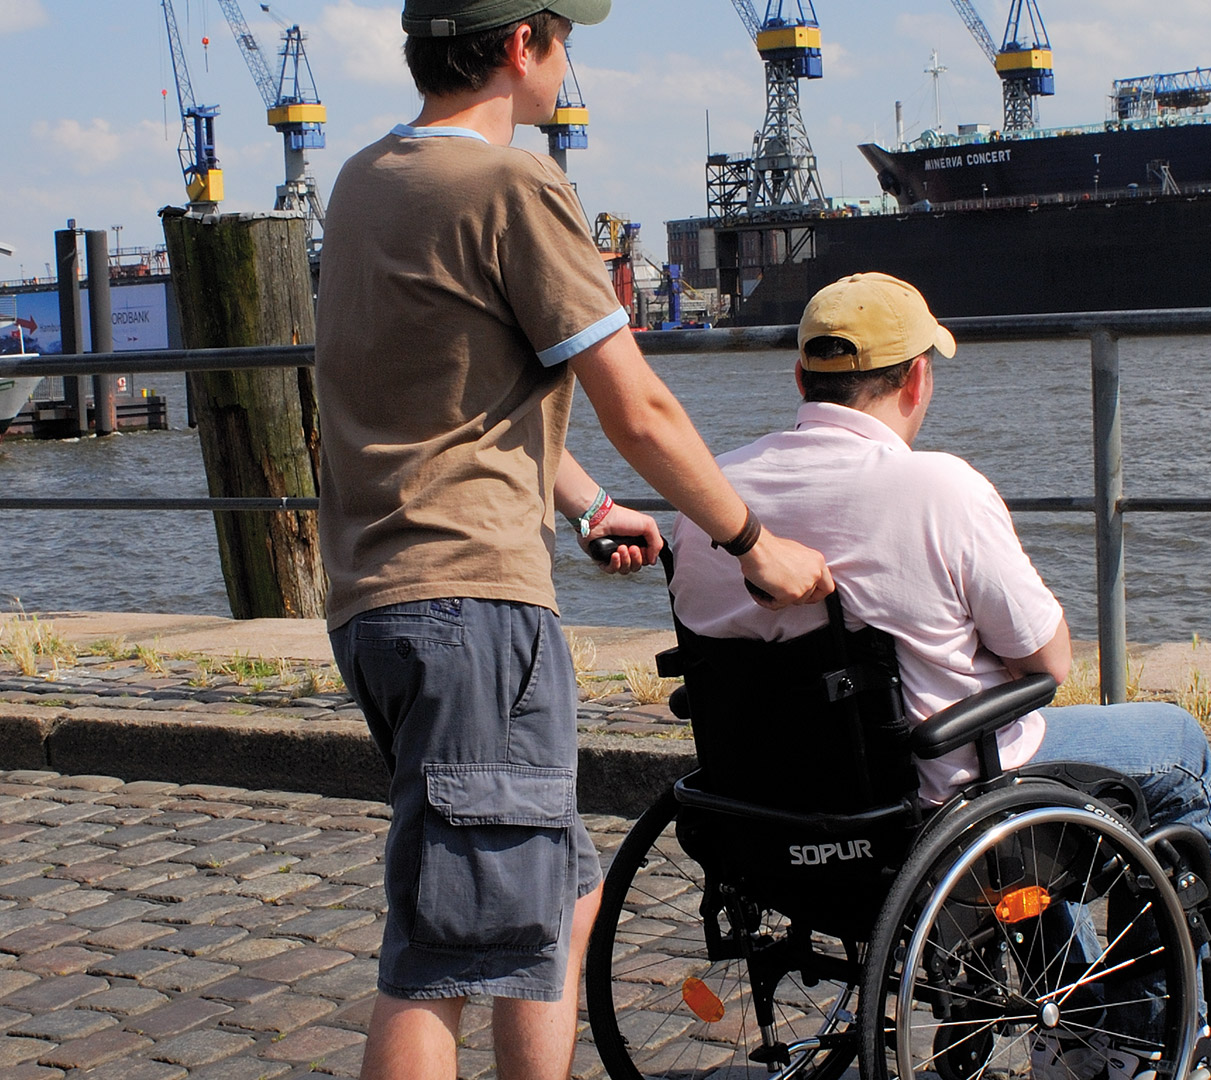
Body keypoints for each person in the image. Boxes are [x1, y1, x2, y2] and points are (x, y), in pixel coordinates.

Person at [314, 3, 832, 1078]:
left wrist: (589, 506)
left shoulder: (368, 181)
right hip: (473, 611)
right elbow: (637, 404)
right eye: (564, 36)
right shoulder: (515, 186)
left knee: (560, 889)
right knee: (442, 956)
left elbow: (461, 392)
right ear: (520, 45)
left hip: (380, 600)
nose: (570, 60)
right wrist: (750, 542)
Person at [667, 272, 1211, 1080]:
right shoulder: (939, 488)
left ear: (801, 379)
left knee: (1007, 777)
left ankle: (1082, 1012)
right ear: (916, 377)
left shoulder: (709, 504)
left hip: (769, 824)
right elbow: (1050, 661)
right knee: (1174, 749)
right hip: (925, 816)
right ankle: (1141, 1022)